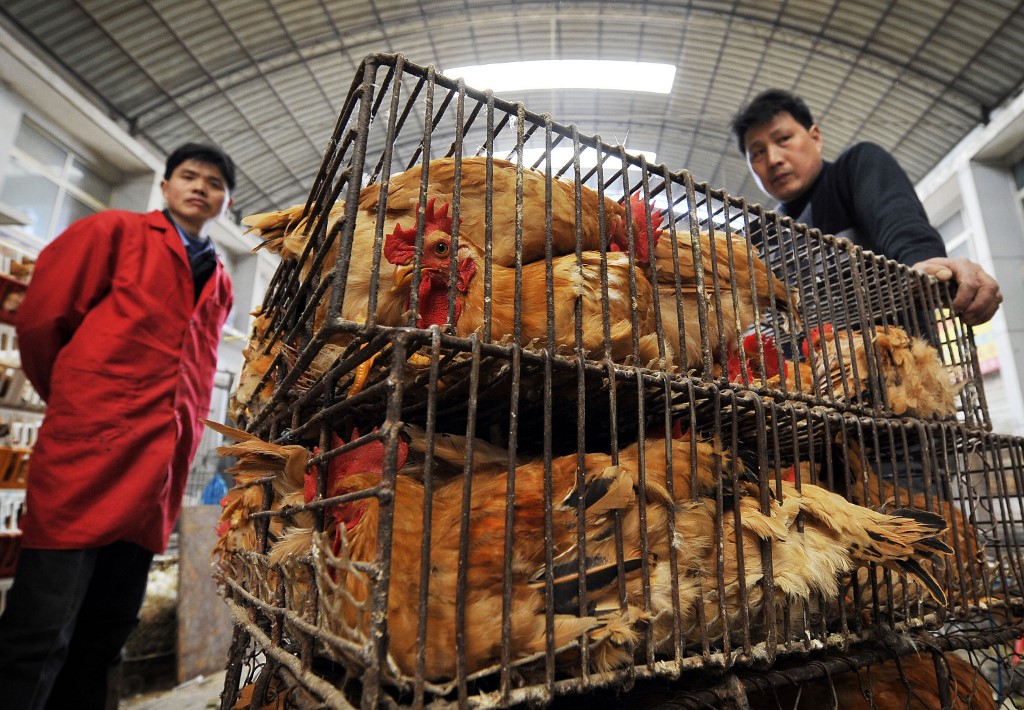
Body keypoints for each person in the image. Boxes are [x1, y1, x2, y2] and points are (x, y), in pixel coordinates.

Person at [0, 143, 236, 709]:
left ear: (225, 203)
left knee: (107, 634)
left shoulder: (222, 282)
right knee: (40, 629)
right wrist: (78, 403)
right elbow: (41, 321)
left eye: (214, 183)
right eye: (188, 176)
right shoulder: (113, 233)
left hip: (158, 472)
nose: (200, 188)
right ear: (165, 186)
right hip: (88, 458)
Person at [730, 88, 1002, 326]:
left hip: (897, 358)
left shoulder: (855, 170)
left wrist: (927, 262)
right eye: (758, 153)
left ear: (815, 137)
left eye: (783, 139)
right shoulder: (760, 237)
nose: (774, 159)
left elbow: (900, 221)